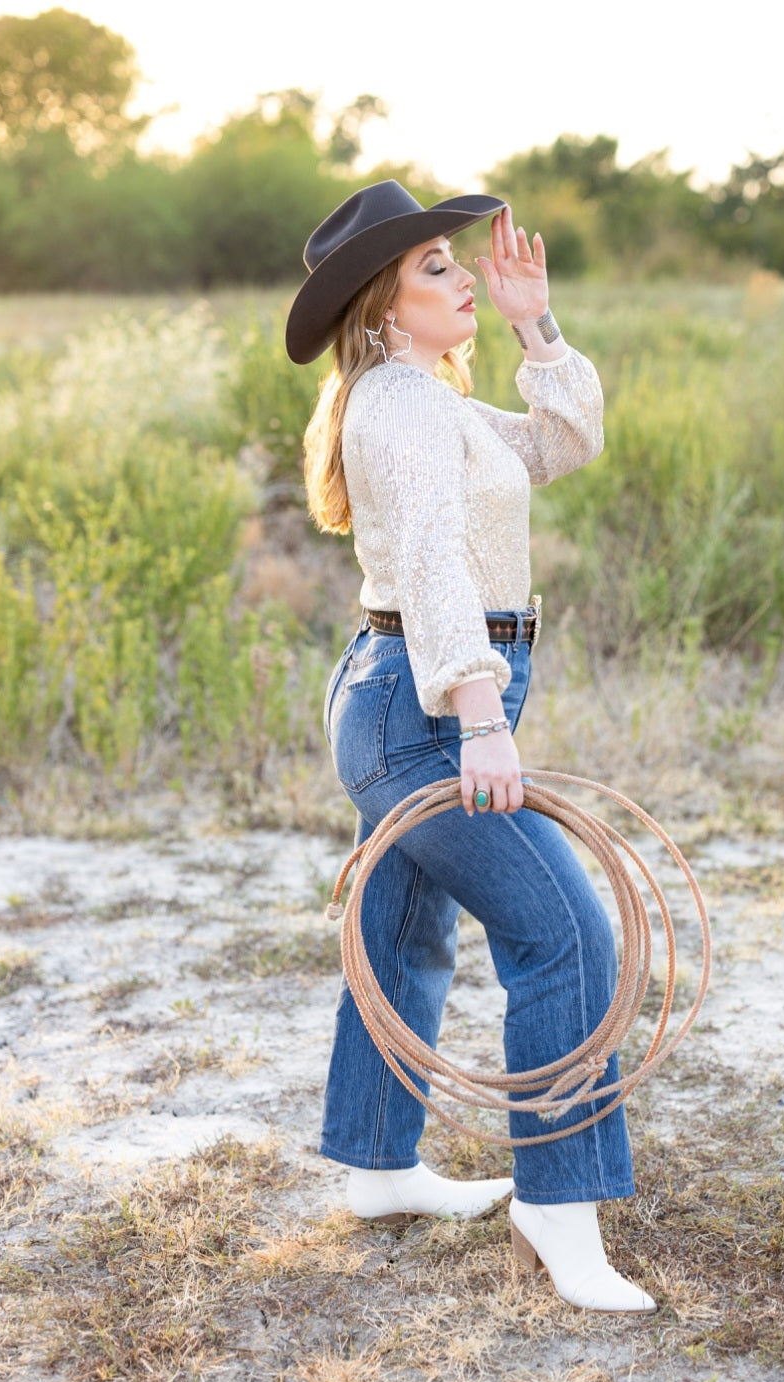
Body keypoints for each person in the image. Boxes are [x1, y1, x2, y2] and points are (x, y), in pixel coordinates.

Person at [286, 180, 654, 1314]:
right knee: (569, 933)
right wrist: (481, 716)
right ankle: (559, 1195)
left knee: (403, 932)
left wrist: (531, 322)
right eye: (436, 268)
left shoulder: (430, 398)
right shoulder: (396, 403)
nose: (461, 276)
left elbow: (561, 441)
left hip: (411, 689)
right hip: (425, 702)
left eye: (457, 261)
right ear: (382, 307)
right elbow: (437, 561)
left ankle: (381, 1164)